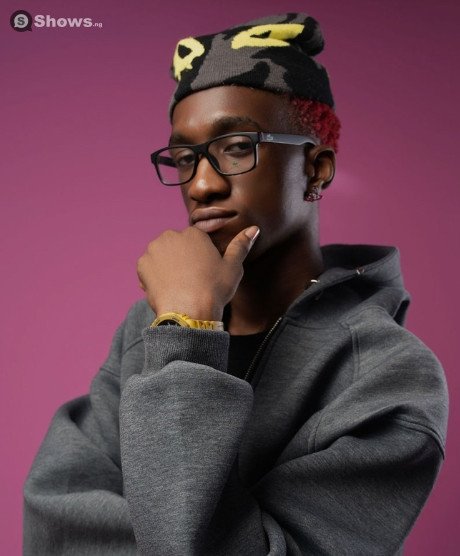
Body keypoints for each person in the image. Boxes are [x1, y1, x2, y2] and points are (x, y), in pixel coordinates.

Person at [23, 12, 448, 556]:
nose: (201, 184)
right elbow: (55, 519)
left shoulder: (387, 373)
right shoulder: (150, 324)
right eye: (185, 158)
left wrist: (188, 335)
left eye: (237, 146)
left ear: (316, 168)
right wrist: (180, 324)